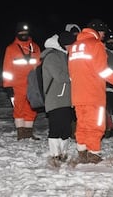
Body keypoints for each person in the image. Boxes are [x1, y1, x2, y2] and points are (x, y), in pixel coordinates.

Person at [68, 20, 113, 165]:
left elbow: (71, 73)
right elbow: (102, 70)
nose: (103, 36)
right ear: (97, 31)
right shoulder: (96, 45)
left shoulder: (74, 47)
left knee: (82, 124)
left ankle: (82, 152)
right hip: (93, 94)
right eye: (102, 32)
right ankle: (93, 154)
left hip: (77, 94)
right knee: (96, 125)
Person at [42, 31, 76, 167]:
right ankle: (55, 155)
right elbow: (60, 76)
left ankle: (63, 153)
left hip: (66, 99)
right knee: (56, 128)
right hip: (55, 99)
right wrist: (76, 76)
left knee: (65, 129)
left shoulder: (64, 55)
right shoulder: (51, 56)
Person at [2, 22, 42, 140]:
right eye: (20, 32)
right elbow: (7, 69)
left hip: (32, 85)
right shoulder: (11, 49)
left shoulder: (35, 47)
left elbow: (39, 66)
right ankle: (21, 133)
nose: (23, 34)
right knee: (18, 108)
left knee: (31, 109)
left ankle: (28, 133)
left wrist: (40, 82)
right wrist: (8, 86)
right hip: (17, 85)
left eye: (25, 32)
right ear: (16, 33)